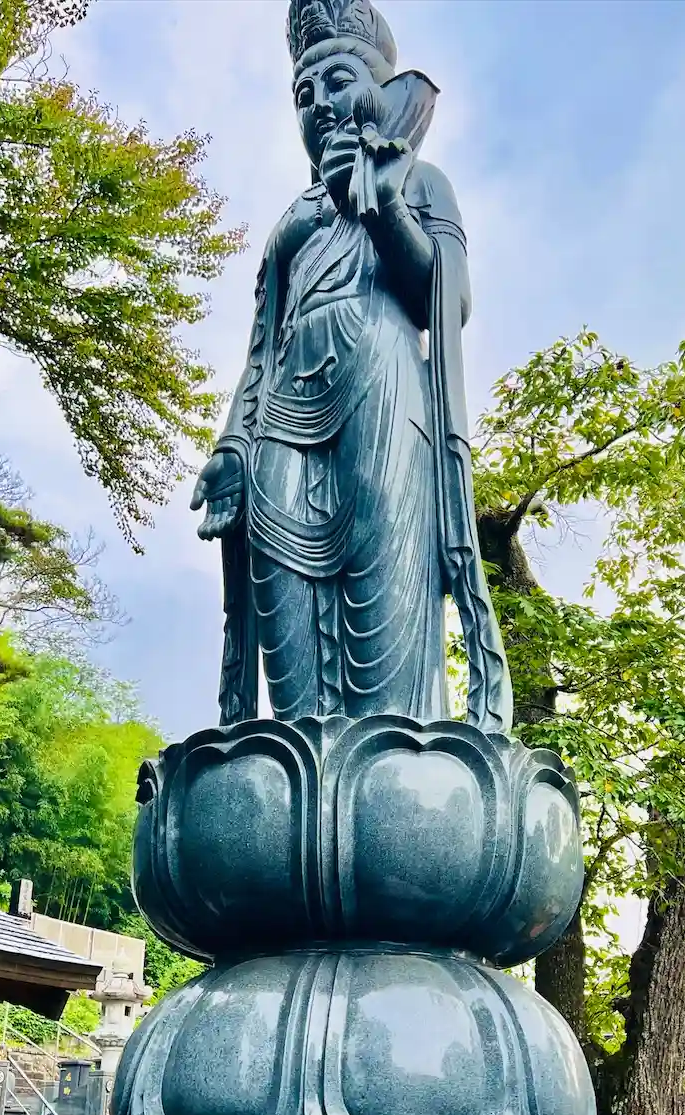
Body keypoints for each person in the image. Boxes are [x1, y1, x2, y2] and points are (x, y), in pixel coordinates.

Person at [192, 0, 511, 733]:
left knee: (384, 628)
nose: (320, 104)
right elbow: (260, 347)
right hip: (280, 420)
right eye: (302, 94)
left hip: (383, 400)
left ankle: (392, 774)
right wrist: (232, 445)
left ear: (377, 89)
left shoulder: (419, 180)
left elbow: (448, 300)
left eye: (337, 82)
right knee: (290, 667)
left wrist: (382, 205)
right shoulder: (291, 223)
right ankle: (293, 767)